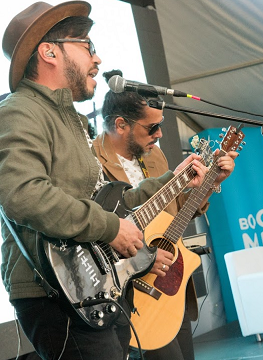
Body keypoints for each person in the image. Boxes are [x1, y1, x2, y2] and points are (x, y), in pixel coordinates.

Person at [0, 3, 208, 359]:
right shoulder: (17, 112)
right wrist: (109, 227)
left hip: (94, 290)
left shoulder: (69, 119)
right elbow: (20, 194)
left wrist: (173, 182)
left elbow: (114, 202)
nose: (97, 58)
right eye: (87, 45)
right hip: (56, 293)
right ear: (49, 51)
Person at [92, 69, 237, 359]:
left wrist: (211, 185)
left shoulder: (154, 155)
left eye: (161, 126)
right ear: (121, 125)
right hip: (133, 295)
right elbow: (96, 234)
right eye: (151, 128)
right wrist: (144, 257)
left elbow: (177, 213)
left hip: (171, 282)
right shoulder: (92, 161)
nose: (159, 135)